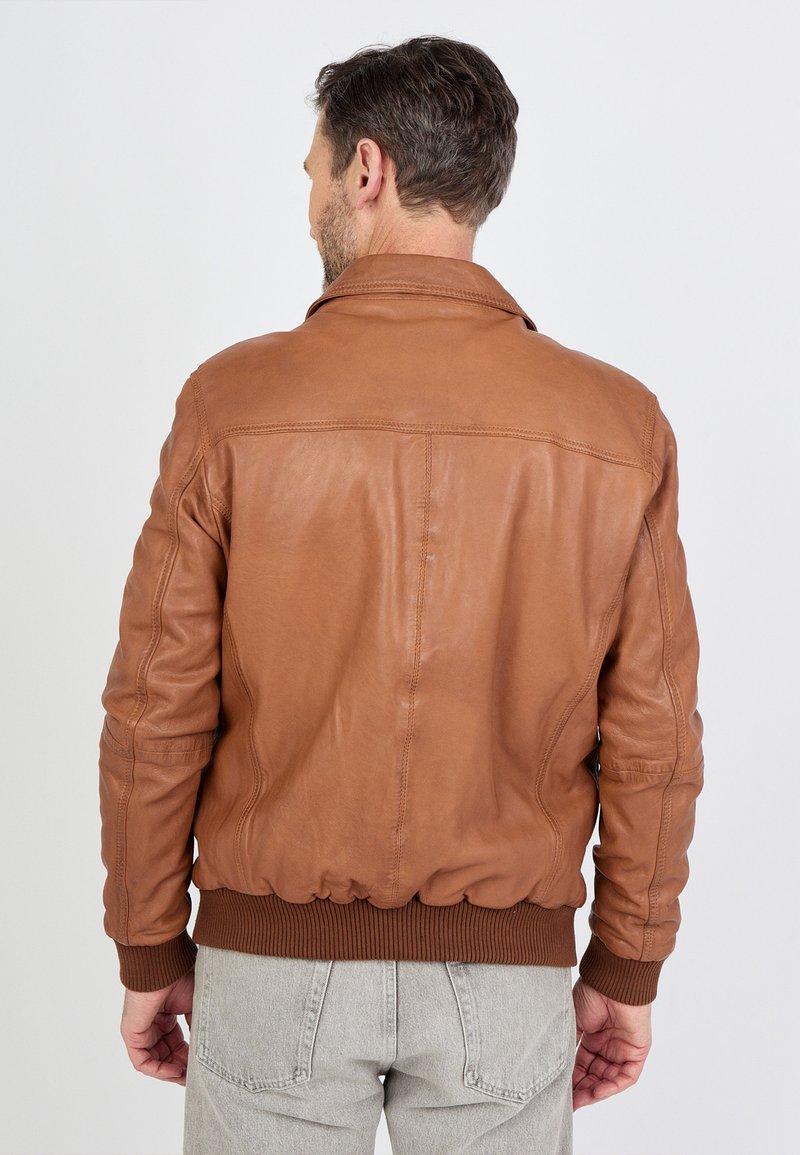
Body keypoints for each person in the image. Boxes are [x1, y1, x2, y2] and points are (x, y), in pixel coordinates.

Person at [98, 34, 705, 1155]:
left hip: (270, 968)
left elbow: (155, 707)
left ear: (366, 170)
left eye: (315, 173)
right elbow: (653, 736)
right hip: (504, 978)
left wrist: (148, 946)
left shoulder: (230, 404)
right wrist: (625, 963)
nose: (310, 204)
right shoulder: (616, 425)